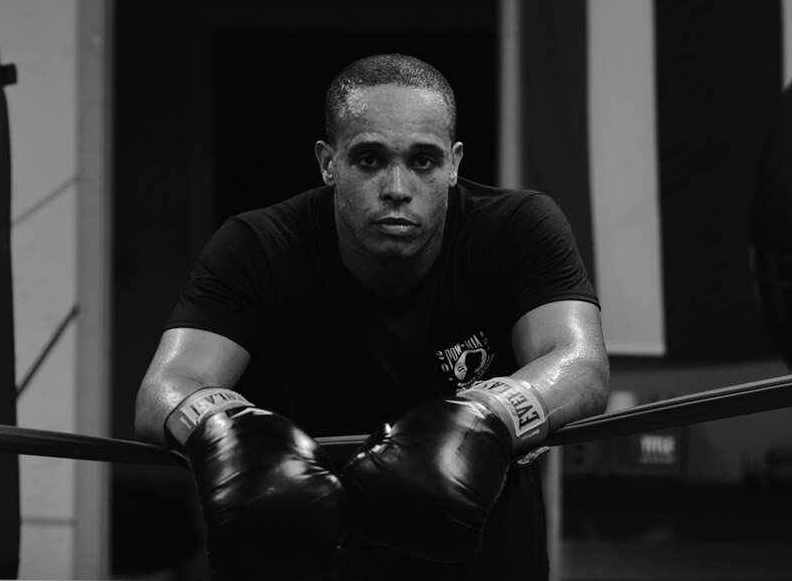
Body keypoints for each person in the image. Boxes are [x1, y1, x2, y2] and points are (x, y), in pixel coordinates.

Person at [135, 53, 609, 580]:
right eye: (369, 159)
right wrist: (223, 429)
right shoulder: (259, 246)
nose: (397, 187)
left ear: (454, 164)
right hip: (329, 556)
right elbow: (165, 387)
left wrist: (488, 417)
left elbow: (579, 362)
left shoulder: (518, 229)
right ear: (328, 161)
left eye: (423, 161)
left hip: (488, 555)